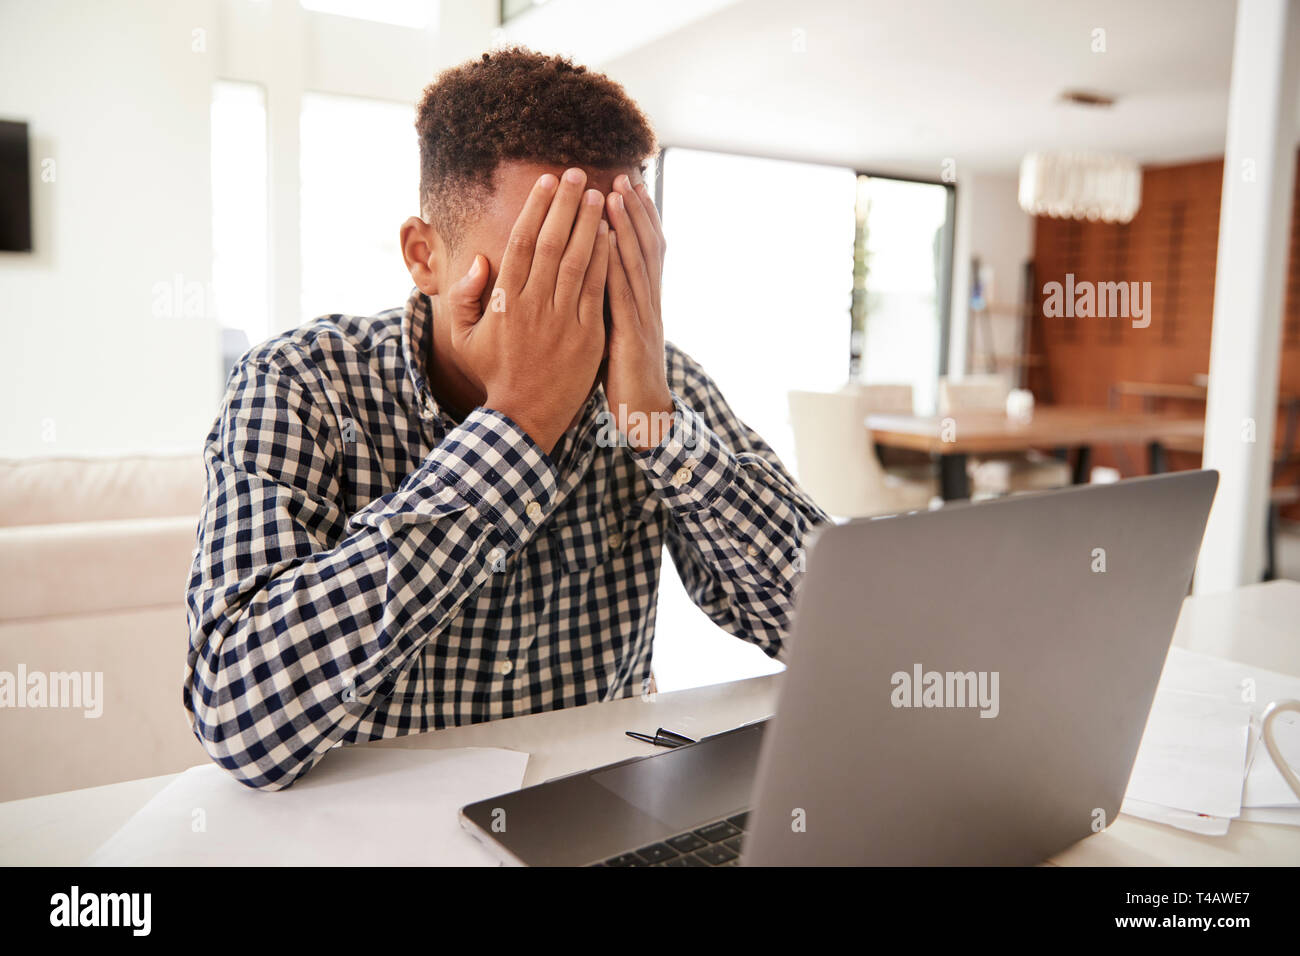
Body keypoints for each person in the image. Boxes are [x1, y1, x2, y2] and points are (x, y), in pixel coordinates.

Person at [184, 47, 828, 790]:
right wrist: (516, 428)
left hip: (589, 817)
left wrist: (658, 422)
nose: (577, 311)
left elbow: (839, 637)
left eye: (607, 268)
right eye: (537, 270)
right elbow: (238, 717)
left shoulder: (652, 380)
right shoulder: (301, 384)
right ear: (425, 257)